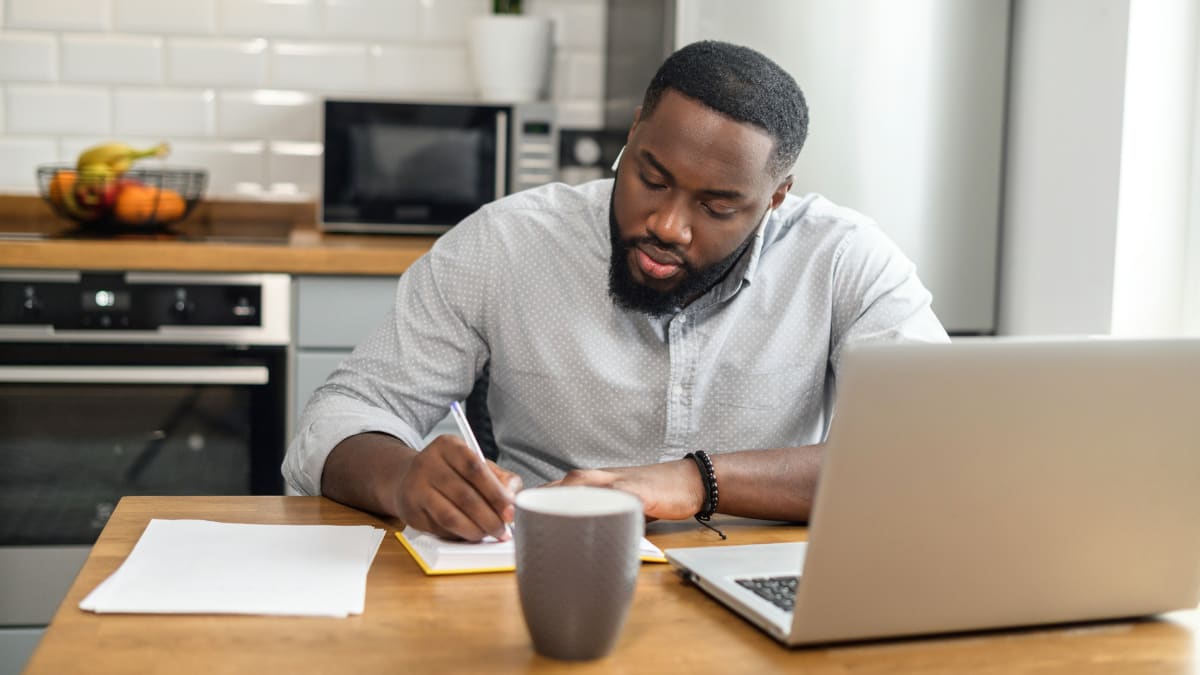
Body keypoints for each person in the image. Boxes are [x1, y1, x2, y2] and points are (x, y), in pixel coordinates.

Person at [284, 40, 948, 542]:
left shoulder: (842, 258)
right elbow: (336, 417)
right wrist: (402, 477)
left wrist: (693, 480)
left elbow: (934, 450)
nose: (667, 224)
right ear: (633, 134)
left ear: (775, 198)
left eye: (717, 206)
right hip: (544, 575)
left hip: (761, 591)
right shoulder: (506, 242)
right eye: (652, 178)